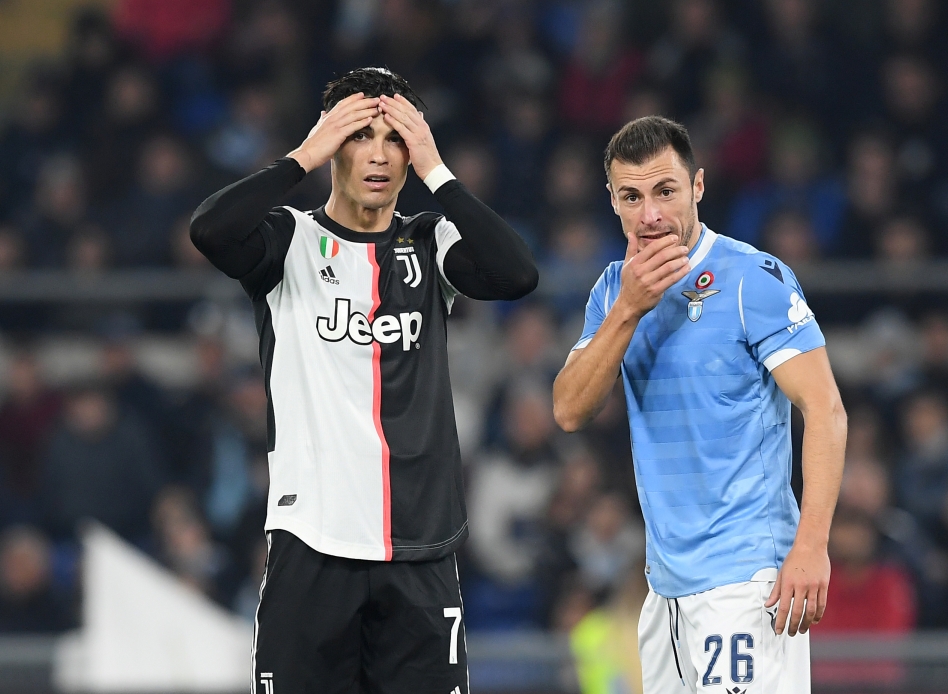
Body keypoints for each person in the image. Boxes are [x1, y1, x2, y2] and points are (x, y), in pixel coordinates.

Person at [189, 67, 537, 694]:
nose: (377, 154)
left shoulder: (430, 242)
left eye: (394, 137)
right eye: (359, 135)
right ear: (331, 144)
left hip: (420, 549)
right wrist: (302, 156)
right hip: (312, 545)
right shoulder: (288, 241)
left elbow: (515, 275)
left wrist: (439, 171)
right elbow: (209, 230)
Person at [553, 116, 847, 693]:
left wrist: (811, 546)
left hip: (749, 581)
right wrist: (629, 310)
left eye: (665, 191)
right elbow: (568, 409)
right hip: (664, 595)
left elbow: (826, 410)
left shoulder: (752, 281)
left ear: (698, 188)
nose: (651, 214)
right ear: (612, 201)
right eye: (631, 197)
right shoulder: (614, 292)